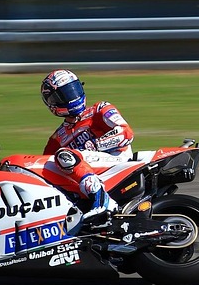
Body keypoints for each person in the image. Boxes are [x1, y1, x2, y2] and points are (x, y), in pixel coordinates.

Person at [40, 69, 134, 227]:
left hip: (117, 160)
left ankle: (101, 200)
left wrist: (96, 145)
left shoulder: (100, 109)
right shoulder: (56, 138)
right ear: (53, 102)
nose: (72, 97)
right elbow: (45, 168)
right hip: (88, 174)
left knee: (63, 155)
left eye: (74, 90)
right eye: (64, 95)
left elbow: (127, 133)